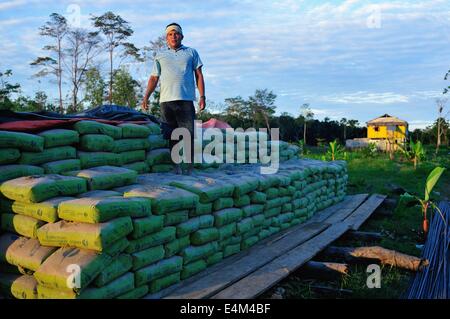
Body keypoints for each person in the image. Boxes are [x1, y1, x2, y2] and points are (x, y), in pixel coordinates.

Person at [142, 22, 205, 175]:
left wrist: (202, 96)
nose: (173, 36)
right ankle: (176, 166)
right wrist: (146, 98)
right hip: (166, 101)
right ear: (166, 38)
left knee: (188, 134)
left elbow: (199, 75)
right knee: (172, 135)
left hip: (186, 99)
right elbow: (153, 79)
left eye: (176, 33)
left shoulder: (191, 52)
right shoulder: (160, 56)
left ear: (181, 36)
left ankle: (189, 167)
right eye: (170, 34)